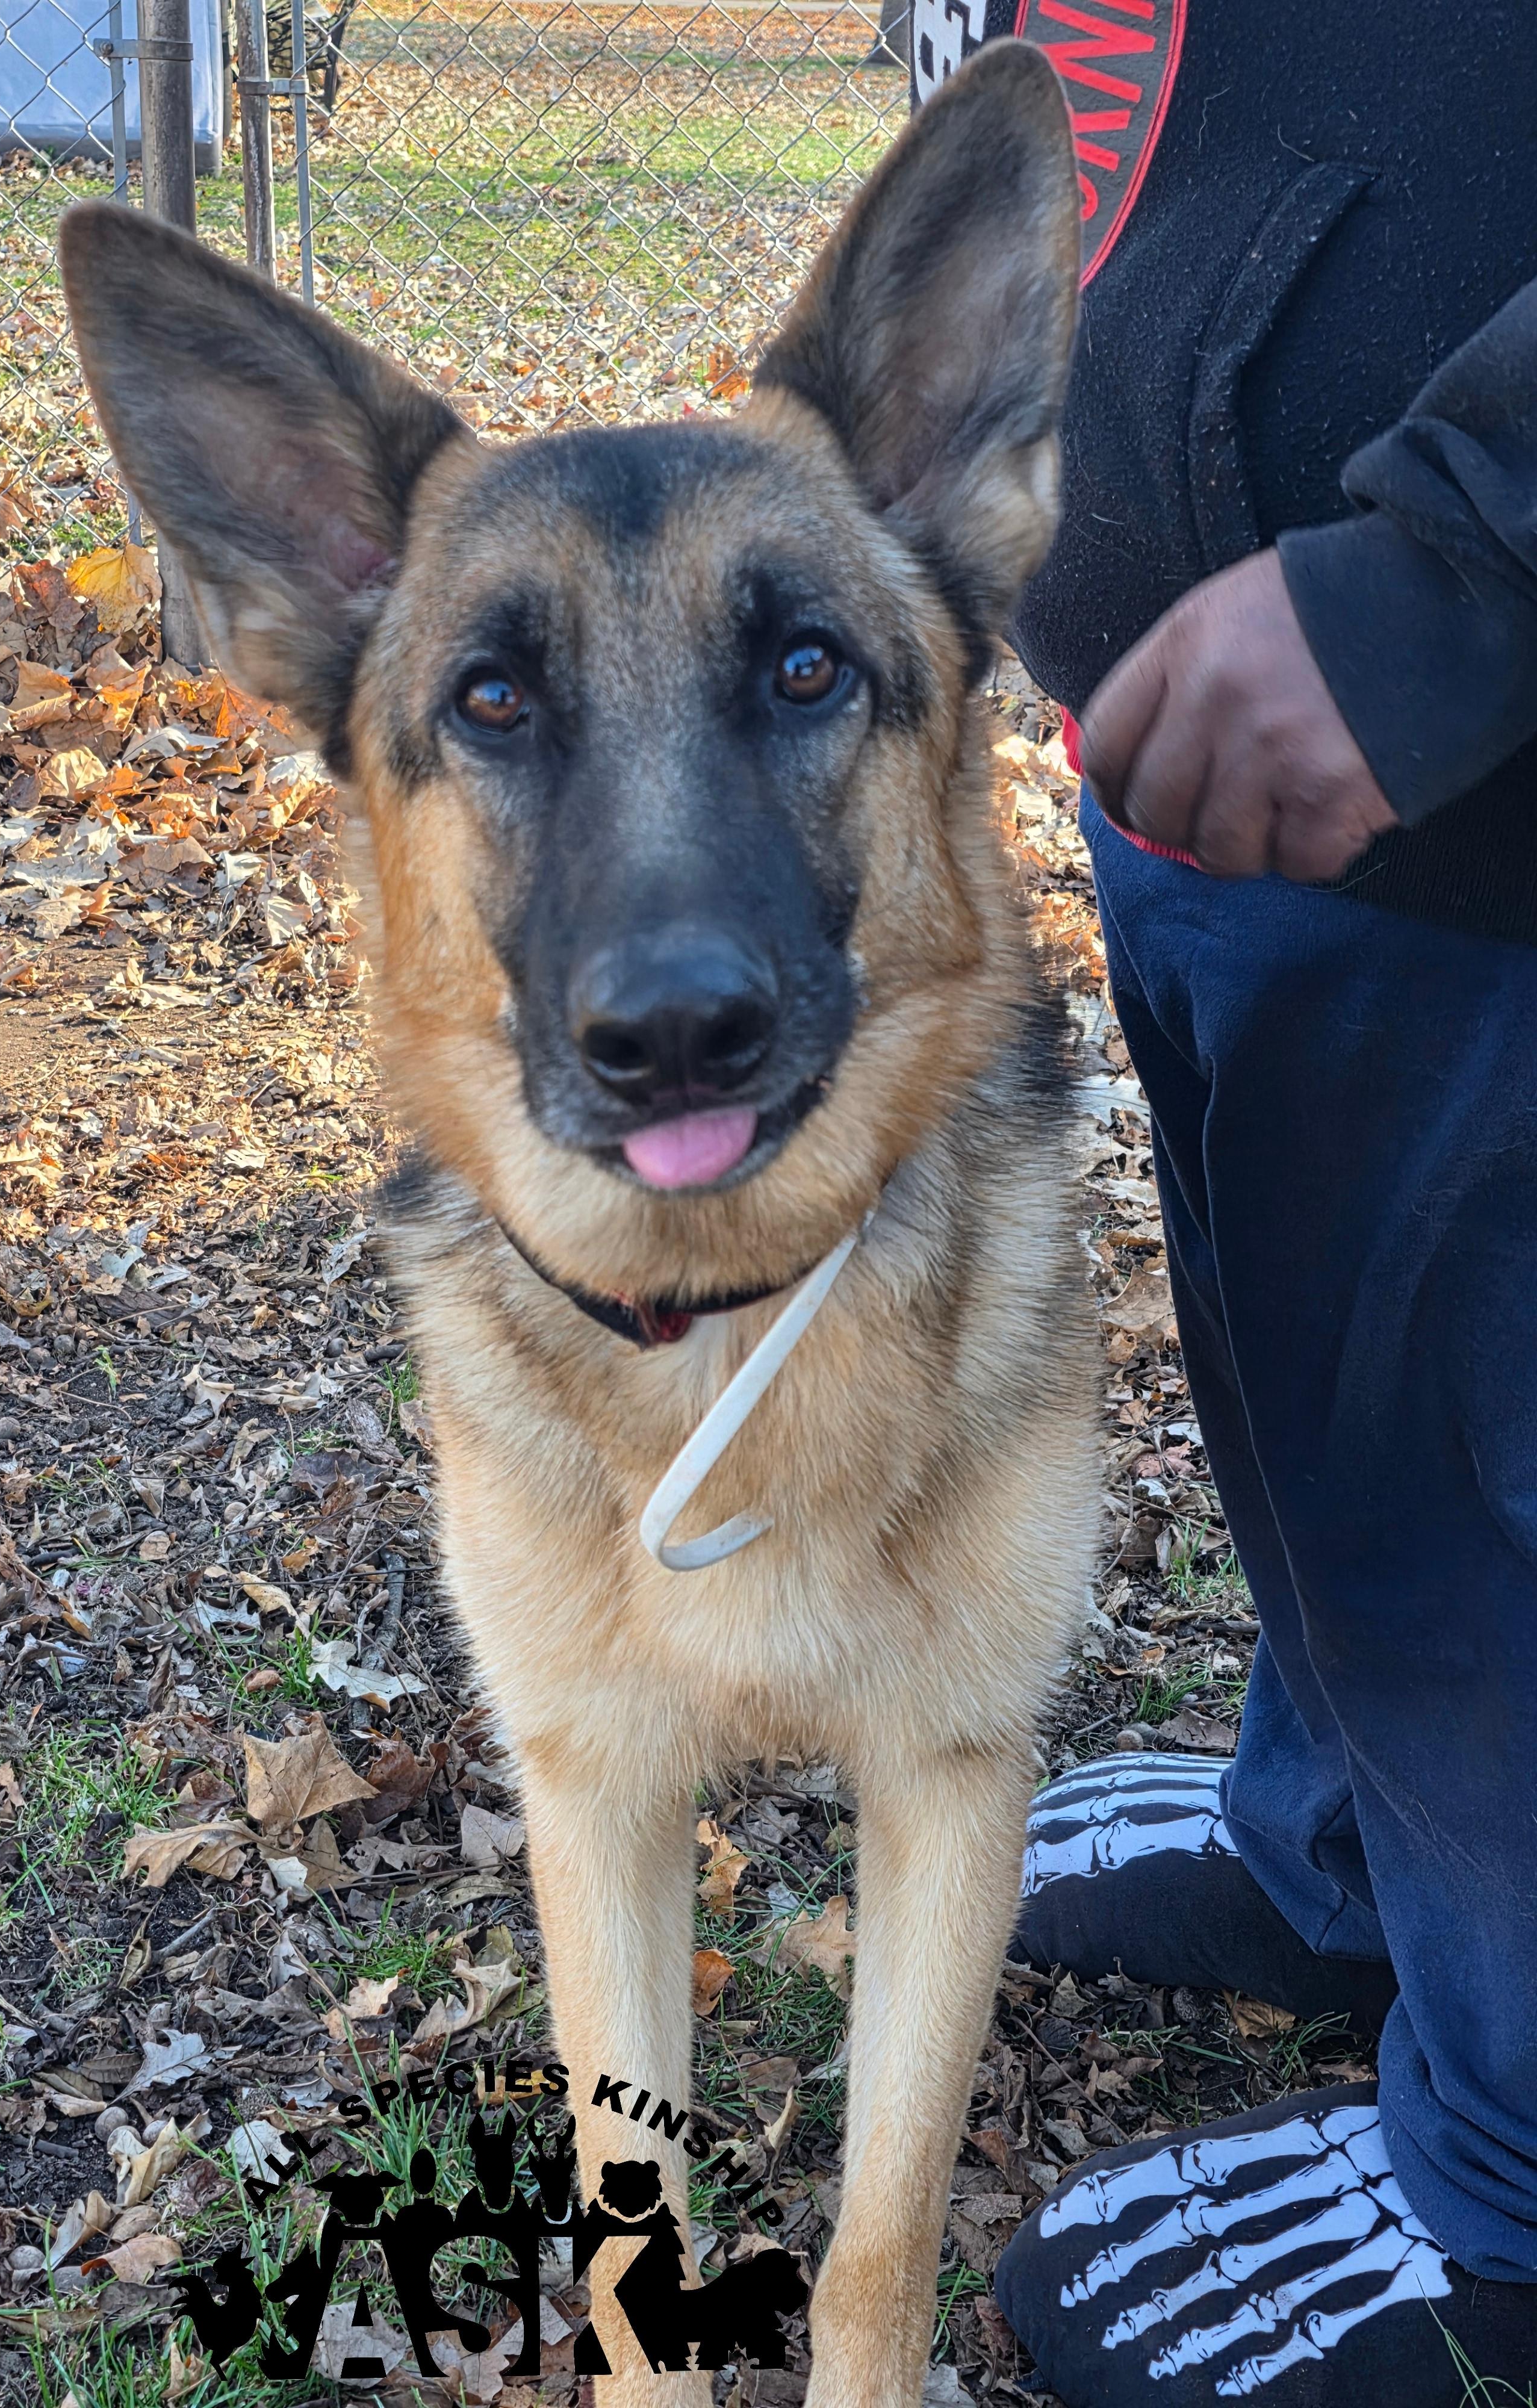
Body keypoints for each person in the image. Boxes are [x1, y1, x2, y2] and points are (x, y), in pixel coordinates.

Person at [908, 5, 1537, 2401]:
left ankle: (1511, 2177)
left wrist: (1458, 577)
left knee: (1482, 1496)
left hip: (1468, 757)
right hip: (1215, 714)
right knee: (1328, 1424)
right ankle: (1351, 1850)